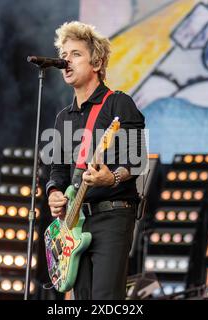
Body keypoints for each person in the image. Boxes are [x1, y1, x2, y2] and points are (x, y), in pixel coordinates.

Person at [46, 21, 146, 300]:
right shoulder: (63, 117)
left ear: (97, 62)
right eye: (64, 55)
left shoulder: (118, 104)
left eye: (75, 54)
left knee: (105, 298)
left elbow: (137, 161)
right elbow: (58, 171)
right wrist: (54, 192)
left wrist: (110, 178)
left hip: (113, 216)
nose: (66, 61)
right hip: (76, 221)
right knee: (83, 297)